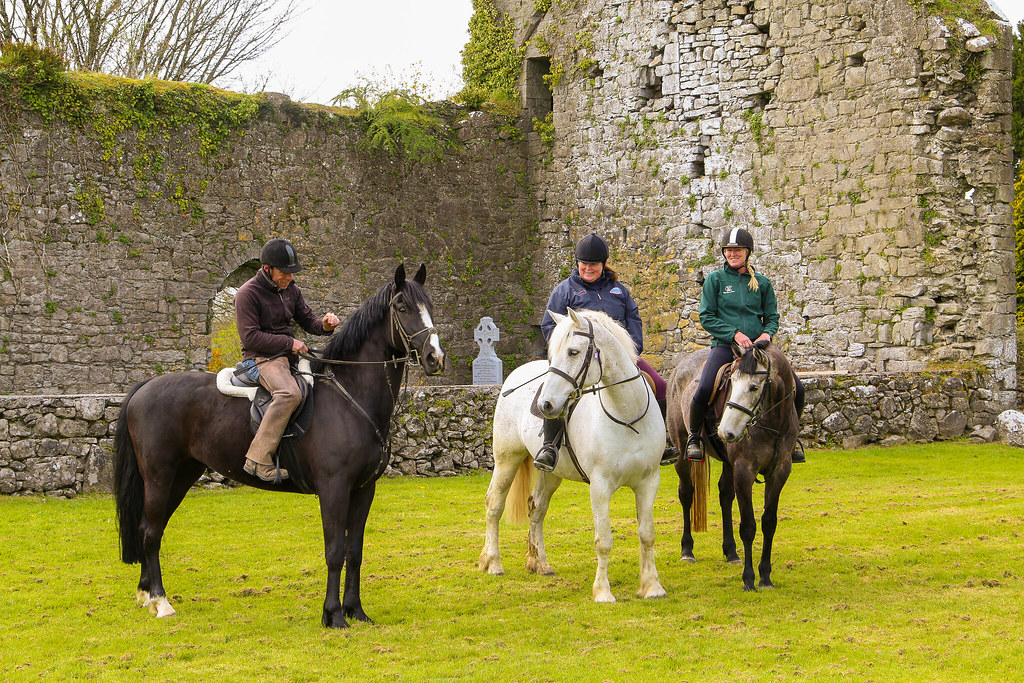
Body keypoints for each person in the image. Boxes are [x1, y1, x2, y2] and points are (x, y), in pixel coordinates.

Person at [537, 232, 678, 472]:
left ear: (603, 265)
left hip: (619, 360)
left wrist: (633, 352)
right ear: (578, 263)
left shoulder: (619, 291)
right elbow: (549, 325)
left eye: (593, 264)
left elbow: (633, 322)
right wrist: (563, 349)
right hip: (577, 361)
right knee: (554, 392)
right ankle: (549, 446)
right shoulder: (564, 291)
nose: (588, 268)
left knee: (660, 385)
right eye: (584, 264)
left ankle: (662, 441)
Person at [685, 227, 806, 463]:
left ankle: (792, 438)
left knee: (797, 389)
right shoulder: (714, 280)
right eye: (729, 250)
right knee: (703, 388)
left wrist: (766, 335)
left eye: (737, 250)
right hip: (725, 345)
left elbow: (772, 317)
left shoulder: (762, 283)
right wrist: (734, 334)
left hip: (759, 350)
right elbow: (707, 317)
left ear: (747, 252)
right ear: (724, 253)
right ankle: (693, 437)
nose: (733, 254)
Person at [234, 238, 340, 482]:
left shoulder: (291, 290)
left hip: (287, 358)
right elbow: (250, 338)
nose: (289, 278)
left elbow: (309, 321)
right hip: (259, 359)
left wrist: (324, 326)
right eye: (284, 272)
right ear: (267, 268)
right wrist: (289, 343)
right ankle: (259, 460)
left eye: (292, 273)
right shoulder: (246, 294)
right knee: (289, 394)